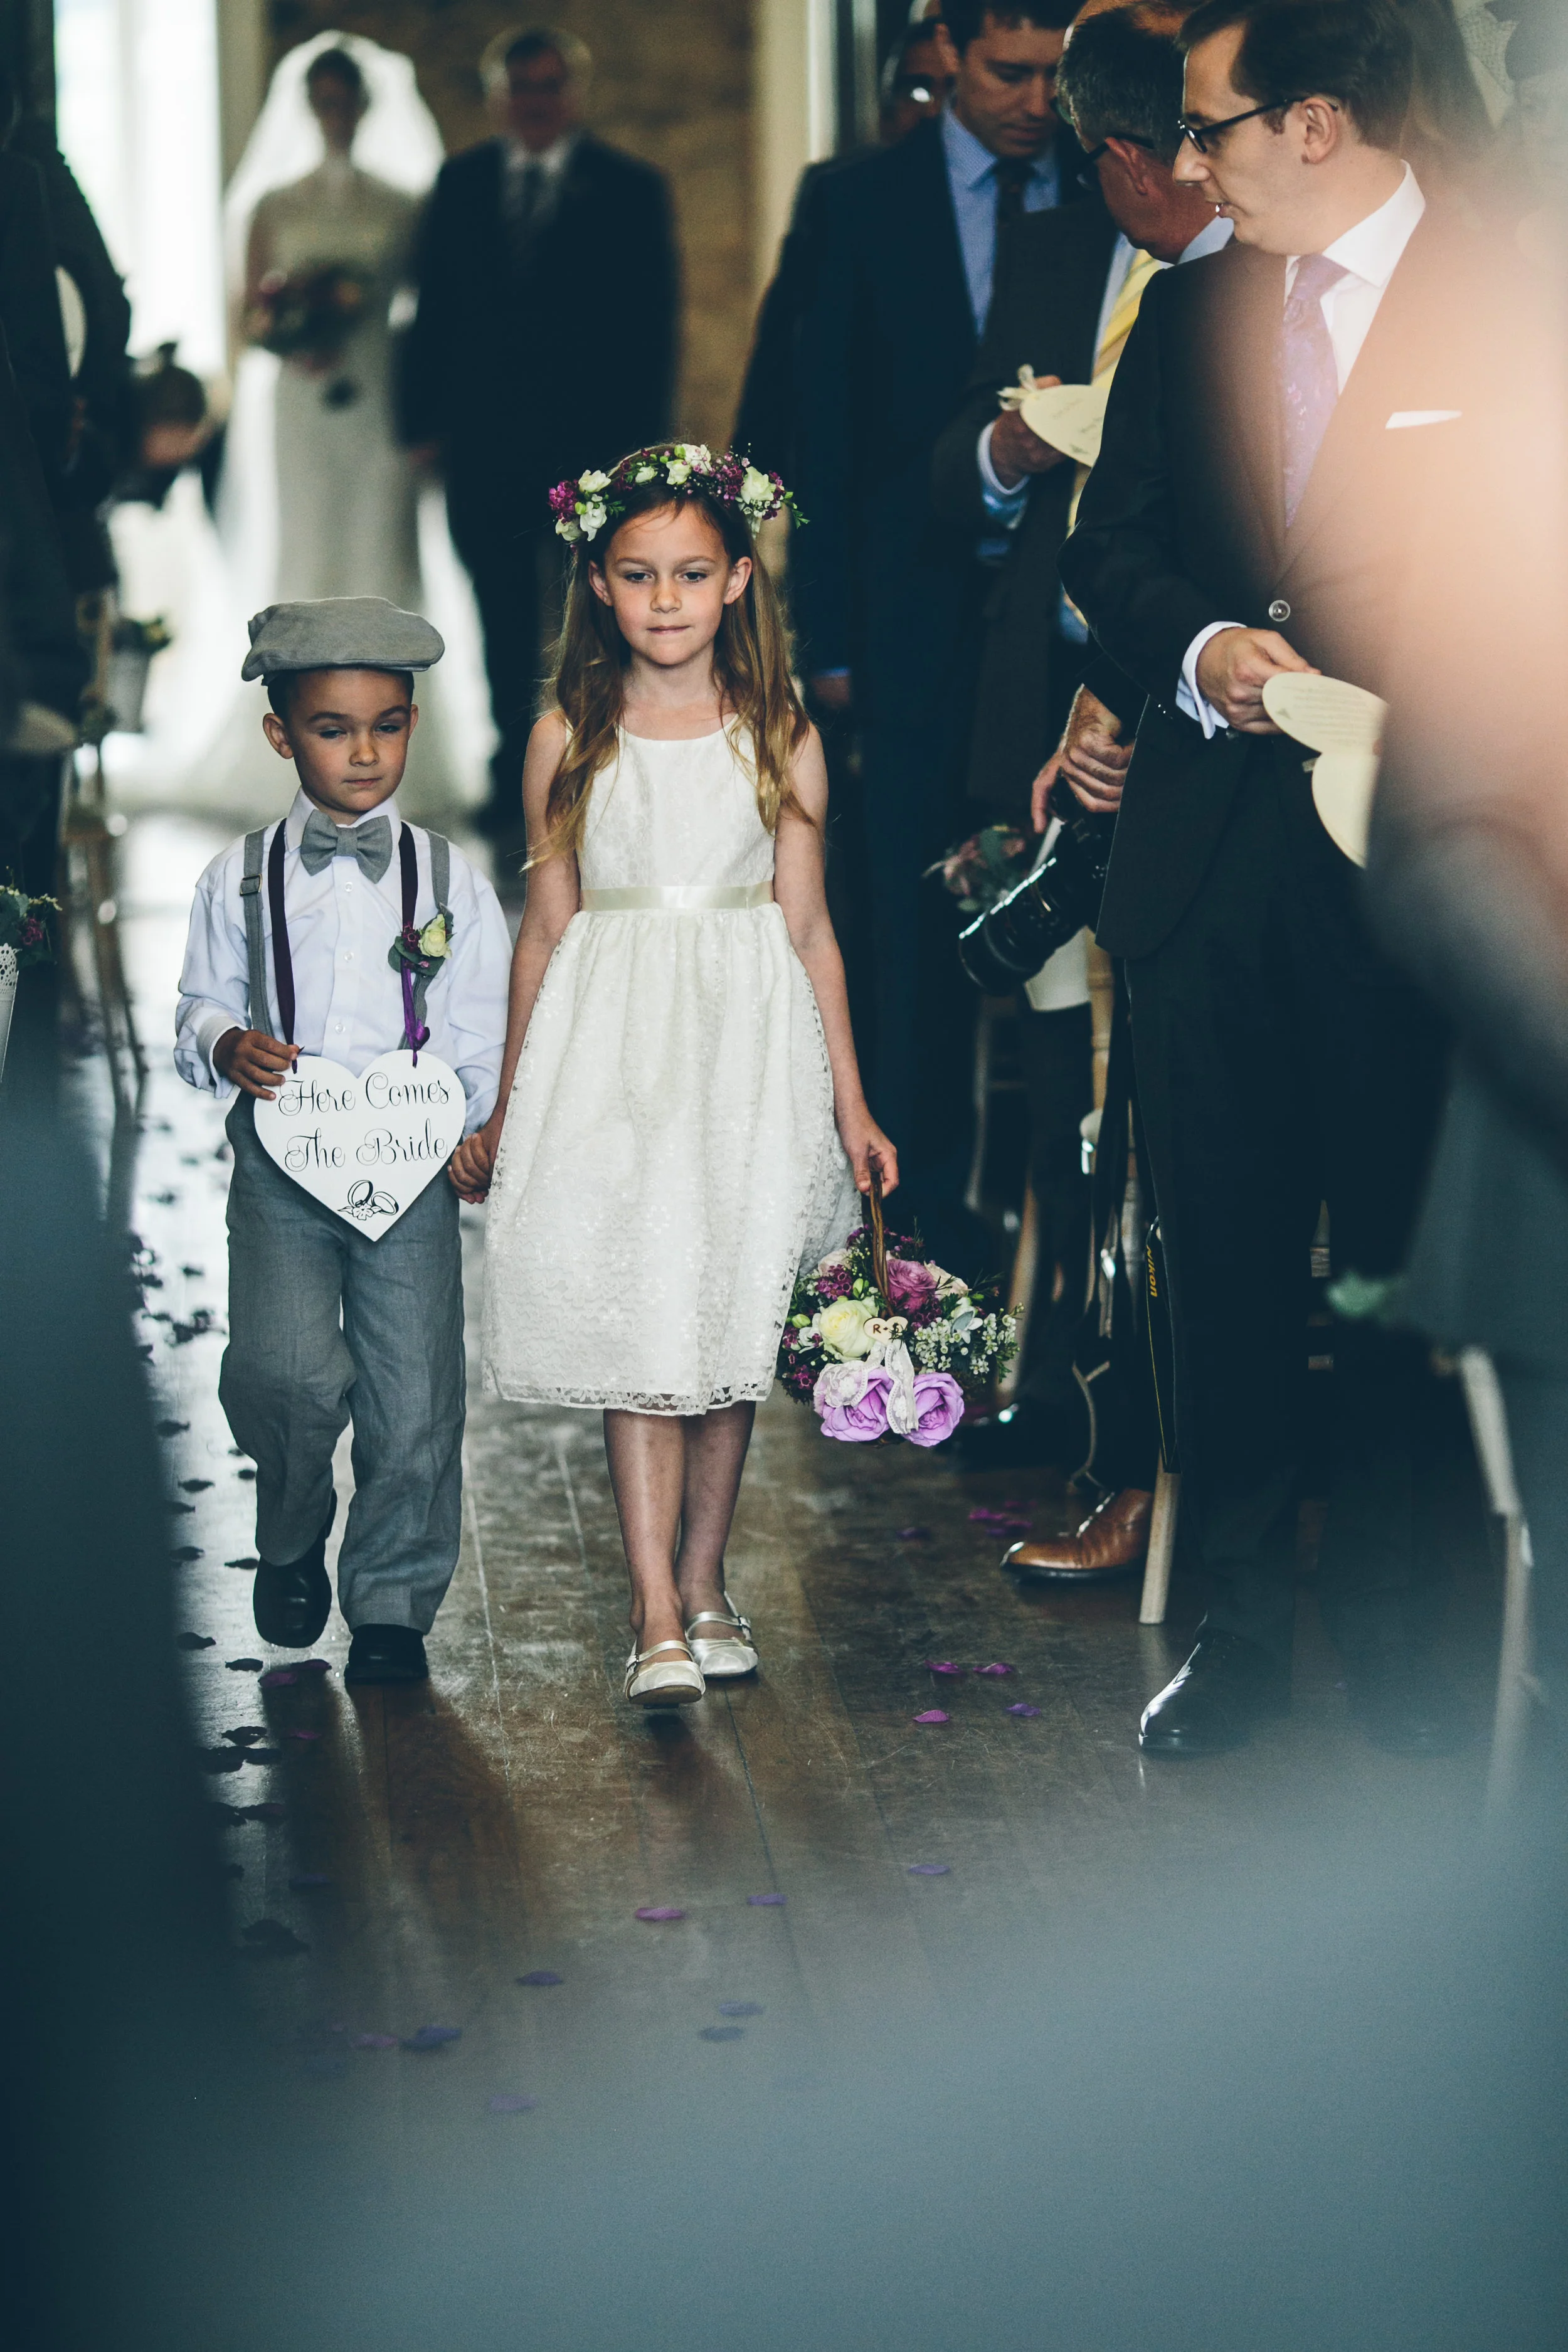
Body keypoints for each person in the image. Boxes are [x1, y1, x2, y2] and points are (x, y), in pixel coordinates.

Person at [1059, 0, 1529, 1757]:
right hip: (1205, 869)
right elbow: (1110, 548)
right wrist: (1199, 652)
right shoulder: (1185, 314)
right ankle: (1237, 1637)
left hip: (1425, 881)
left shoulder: (1512, 303)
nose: (1184, 167)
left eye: (1211, 128)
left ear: (1317, 122)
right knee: (1224, 1265)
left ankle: (1415, 1661)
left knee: (1409, 1276)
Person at [450, 447, 891, 1709]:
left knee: (718, 1320)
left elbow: (808, 931)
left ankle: (705, 1581)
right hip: (612, 1053)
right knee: (639, 1316)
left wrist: (849, 1106)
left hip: (744, 1060)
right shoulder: (568, 738)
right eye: (636, 575)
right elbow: (545, 925)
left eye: (690, 575)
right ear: (595, 583)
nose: (663, 600)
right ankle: (651, 1609)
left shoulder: (780, 741)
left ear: (737, 580)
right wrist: (510, 1097)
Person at [935, 3, 1231, 1505]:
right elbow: (947, 467)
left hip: (1167, 729)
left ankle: (1150, 1454)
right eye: (1184, 146)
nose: (1204, 173)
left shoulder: (1249, 288)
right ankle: (1052, 1382)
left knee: (1154, 1091)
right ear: (1126, 162)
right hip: (1041, 706)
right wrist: (1011, 454)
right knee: (1056, 1070)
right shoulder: (1059, 259)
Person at [174, 598, 511, 1685]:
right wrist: (227, 1042)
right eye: (333, 729)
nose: (365, 753)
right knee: (283, 1372)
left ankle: (392, 1608)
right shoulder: (234, 879)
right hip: (282, 1164)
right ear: (282, 736)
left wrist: (473, 1121)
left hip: (409, 1173)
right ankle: (291, 1525)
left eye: (388, 725)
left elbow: (479, 1021)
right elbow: (195, 1004)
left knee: (414, 1392)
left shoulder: (451, 880)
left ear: (413, 724)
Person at [792, 0, 1081, 1266]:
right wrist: (825, 639)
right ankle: (911, 1230)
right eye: (1008, 73)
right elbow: (814, 429)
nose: (1032, 100)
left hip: (1055, 630)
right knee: (907, 933)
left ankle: (1046, 1229)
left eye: (1051, 78)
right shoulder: (852, 199)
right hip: (905, 615)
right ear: (947, 60)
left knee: (1046, 928)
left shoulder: (1111, 189)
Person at [400, 27, 680, 840]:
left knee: (593, 612)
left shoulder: (630, 188)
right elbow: (431, 310)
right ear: (497, 97)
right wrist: (422, 421)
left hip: (591, 448)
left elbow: (651, 328)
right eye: (520, 87)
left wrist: (640, 457)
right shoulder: (461, 183)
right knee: (498, 613)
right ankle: (512, 768)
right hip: (483, 445)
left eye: (550, 85)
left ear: (574, 93)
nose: (535, 101)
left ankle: (595, 765)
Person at [242, 47, 423, 608]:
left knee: (379, 533)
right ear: (309, 107)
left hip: (378, 388)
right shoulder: (272, 205)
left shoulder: (402, 205)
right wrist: (294, 338)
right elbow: (250, 317)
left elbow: (427, 305)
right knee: (307, 531)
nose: (336, 113)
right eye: (325, 102)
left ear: (365, 106)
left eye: (346, 101)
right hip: (303, 391)